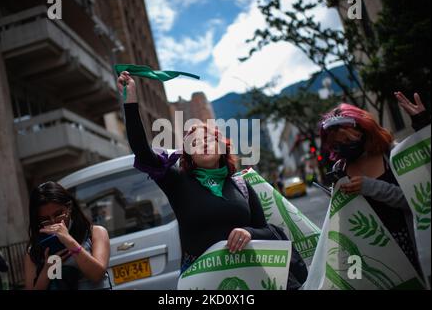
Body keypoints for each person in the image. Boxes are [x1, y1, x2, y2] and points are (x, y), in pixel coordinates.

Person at [117, 71, 306, 288]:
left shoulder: (241, 185)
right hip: (205, 282)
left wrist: (249, 232)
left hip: (254, 276)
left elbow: (266, 232)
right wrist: (130, 100)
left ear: (222, 147)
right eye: (195, 143)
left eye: (209, 139)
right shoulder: (177, 182)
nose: (204, 144)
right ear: (189, 156)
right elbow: (142, 151)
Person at [319, 91, 430, 275]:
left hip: (415, 247)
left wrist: (369, 187)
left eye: (348, 139)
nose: (344, 146)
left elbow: (416, 201)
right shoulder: (340, 170)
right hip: (377, 260)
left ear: (364, 131)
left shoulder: (391, 154)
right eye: (338, 144)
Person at [24, 182, 111, 290]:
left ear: (69, 207)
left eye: (58, 214)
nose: (53, 221)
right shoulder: (35, 248)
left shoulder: (95, 233)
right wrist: (47, 271)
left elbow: (97, 275)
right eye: (45, 219)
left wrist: (69, 242)